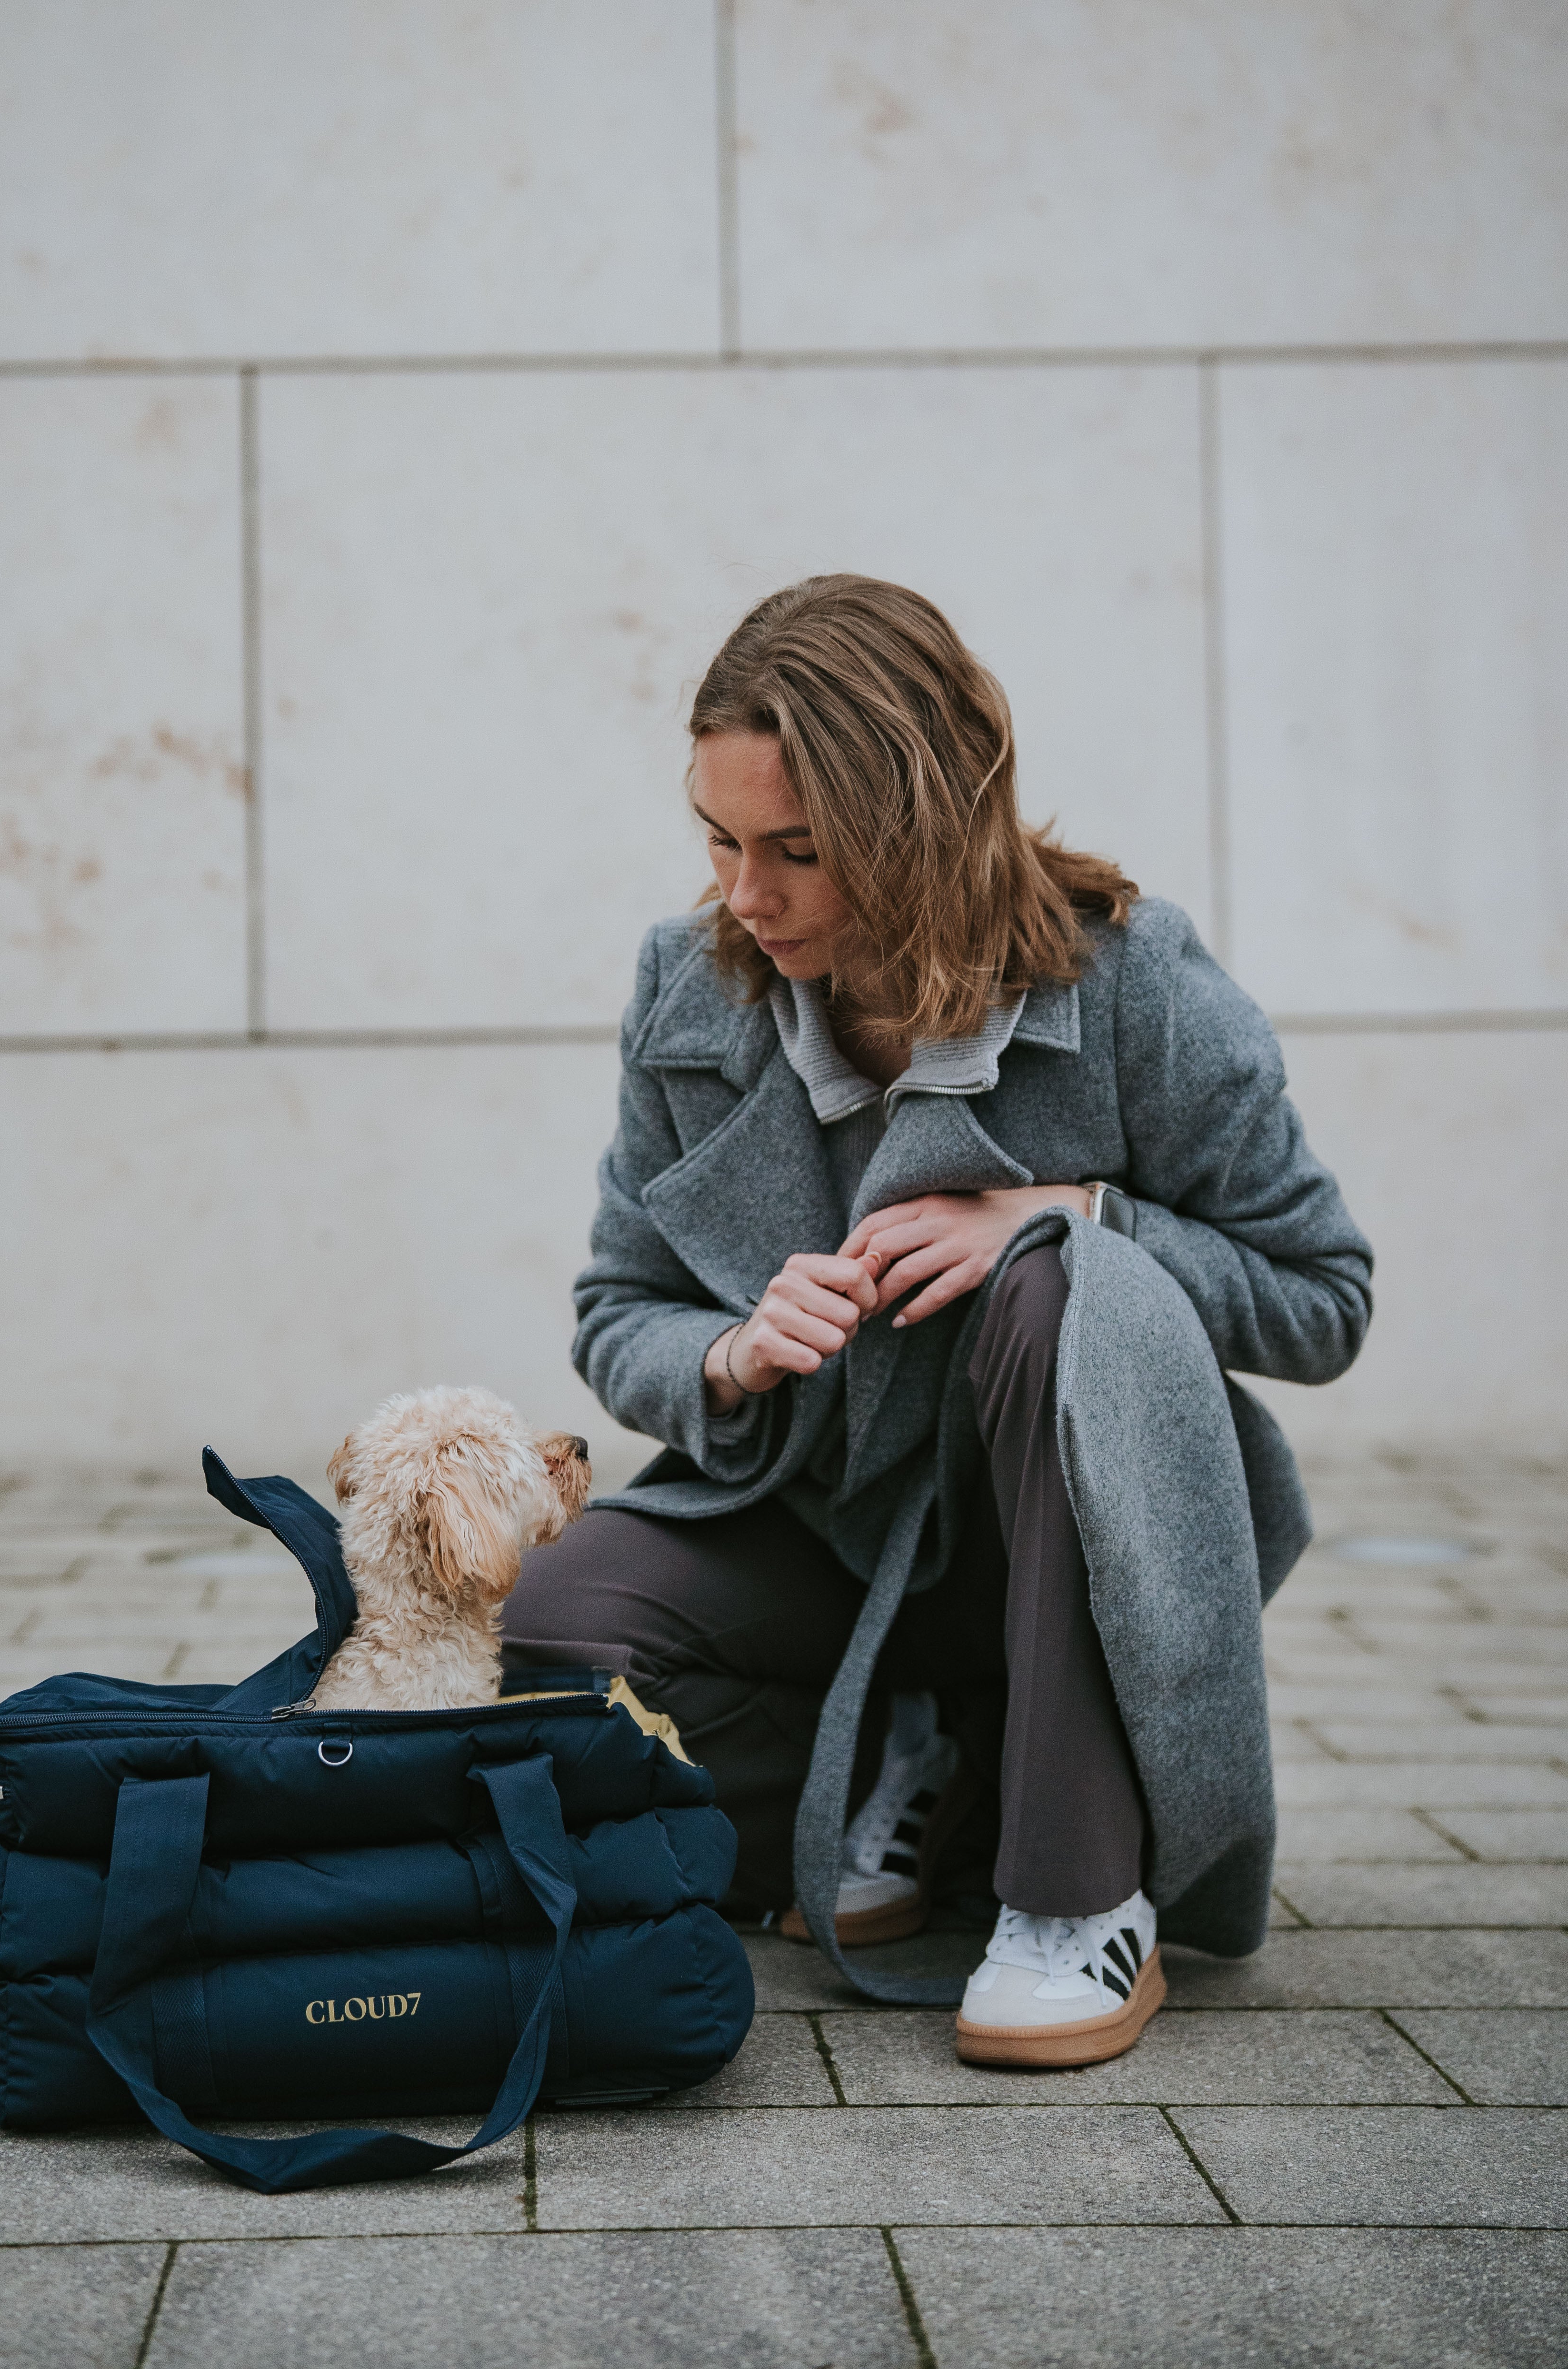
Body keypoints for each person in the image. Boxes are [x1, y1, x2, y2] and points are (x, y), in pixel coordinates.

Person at [504, 573, 1372, 2069]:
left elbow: (1321, 1298)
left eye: (800, 851)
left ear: (921, 827)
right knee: (553, 1630)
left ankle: (1076, 1891)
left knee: (1050, 1279)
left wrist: (1071, 1216)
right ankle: (921, 1764)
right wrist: (732, 1349)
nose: (745, 894)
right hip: (826, 1528)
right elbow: (614, 1310)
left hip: (1075, 1534)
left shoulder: (1129, 981)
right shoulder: (689, 988)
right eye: (718, 839)